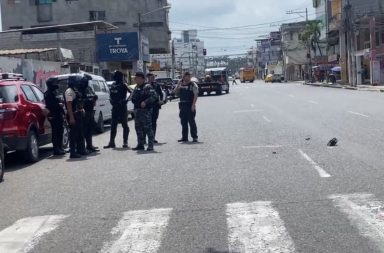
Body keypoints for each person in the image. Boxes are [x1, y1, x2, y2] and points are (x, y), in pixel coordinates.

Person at [131, 72, 157, 151]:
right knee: (138, 128)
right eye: (135, 78)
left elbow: (154, 96)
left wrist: (145, 102)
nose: (135, 79)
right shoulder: (136, 87)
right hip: (137, 111)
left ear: (141, 79)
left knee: (148, 128)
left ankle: (150, 145)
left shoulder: (147, 86)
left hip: (145, 111)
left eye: (137, 78)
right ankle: (140, 144)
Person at [104, 71, 130, 149]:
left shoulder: (124, 85)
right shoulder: (113, 84)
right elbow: (110, 94)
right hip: (115, 107)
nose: (114, 76)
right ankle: (112, 142)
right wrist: (111, 100)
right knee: (113, 125)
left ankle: (125, 142)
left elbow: (132, 93)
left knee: (124, 125)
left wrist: (126, 101)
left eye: (116, 75)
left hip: (122, 108)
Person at [64, 75, 86, 159]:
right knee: (73, 135)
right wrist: (71, 117)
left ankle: (81, 150)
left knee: (79, 133)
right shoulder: (69, 91)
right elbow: (69, 104)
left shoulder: (74, 90)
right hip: (73, 114)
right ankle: (72, 152)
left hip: (78, 114)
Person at [175, 72, 199, 142]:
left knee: (191, 122)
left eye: (187, 76)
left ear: (189, 77)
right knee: (183, 122)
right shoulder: (181, 84)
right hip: (182, 106)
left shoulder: (192, 84)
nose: (185, 78)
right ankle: (184, 137)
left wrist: (193, 105)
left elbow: (195, 94)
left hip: (190, 105)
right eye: (184, 76)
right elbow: (175, 93)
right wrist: (178, 84)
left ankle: (194, 137)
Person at [45, 78, 65, 156]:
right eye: (54, 83)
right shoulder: (48, 94)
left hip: (59, 114)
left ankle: (60, 147)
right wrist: (58, 104)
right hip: (53, 115)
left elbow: (59, 101)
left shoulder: (55, 92)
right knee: (55, 132)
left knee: (60, 131)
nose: (56, 85)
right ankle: (56, 149)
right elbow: (50, 105)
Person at [81, 75, 99, 153]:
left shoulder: (89, 89)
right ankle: (82, 147)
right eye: (86, 80)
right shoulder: (81, 89)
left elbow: (93, 97)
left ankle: (89, 145)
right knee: (84, 131)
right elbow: (82, 101)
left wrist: (94, 99)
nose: (87, 82)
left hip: (91, 112)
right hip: (85, 112)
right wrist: (89, 100)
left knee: (90, 130)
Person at [146, 72, 163, 143]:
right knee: (146, 123)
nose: (153, 78)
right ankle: (145, 138)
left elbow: (161, 94)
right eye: (152, 77)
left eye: (153, 77)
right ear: (148, 77)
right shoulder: (145, 85)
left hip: (155, 106)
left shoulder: (156, 85)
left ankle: (153, 137)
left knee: (153, 122)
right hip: (147, 107)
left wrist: (161, 101)